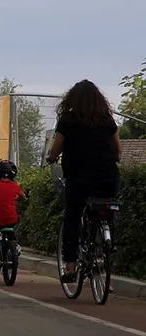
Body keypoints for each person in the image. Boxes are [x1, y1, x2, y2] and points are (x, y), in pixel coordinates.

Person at [46, 79, 121, 282]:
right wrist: (114, 159)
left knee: (72, 216)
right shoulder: (106, 120)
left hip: (78, 178)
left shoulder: (67, 121)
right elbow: (117, 147)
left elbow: (57, 147)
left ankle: (70, 266)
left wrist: (52, 157)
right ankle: (107, 242)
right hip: (107, 176)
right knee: (106, 208)